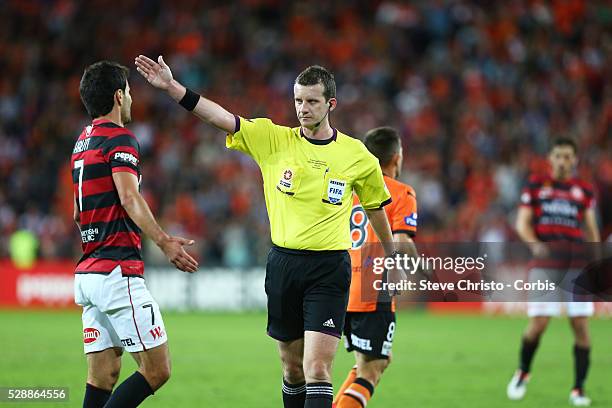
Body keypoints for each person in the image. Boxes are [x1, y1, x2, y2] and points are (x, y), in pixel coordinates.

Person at [135, 55, 405, 408]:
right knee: (292, 368)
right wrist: (173, 88)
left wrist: (392, 254)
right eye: (298, 100)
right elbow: (219, 117)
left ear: (331, 104)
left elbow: (375, 209)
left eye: (312, 101)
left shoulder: (357, 155)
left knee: (318, 368)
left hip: (329, 269)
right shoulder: (272, 138)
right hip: (283, 266)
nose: (303, 109)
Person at [72, 61, 198, 408]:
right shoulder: (120, 138)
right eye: (128, 92)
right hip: (116, 272)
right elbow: (129, 196)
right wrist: (164, 241)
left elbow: (76, 213)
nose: (131, 99)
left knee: (102, 377)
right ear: (117, 96)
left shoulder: (82, 142)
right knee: (157, 370)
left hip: (89, 273)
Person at [506, 138, 600, 406]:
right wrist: (535, 245)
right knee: (539, 324)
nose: (563, 161)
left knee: (580, 326)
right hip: (545, 267)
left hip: (576, 267)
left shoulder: (583, 190)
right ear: (550, 158)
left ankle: (578, 390)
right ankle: (523, 371)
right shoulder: (536, 185)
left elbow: (591, 230)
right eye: (558, 156)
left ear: (575, 160)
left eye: (568, 156)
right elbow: (522, 222)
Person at [333, 127, 419, 408]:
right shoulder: (401, 192)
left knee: (367, 362)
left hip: (341, 287)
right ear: (396, 157)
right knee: (375, 365)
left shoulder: (348, 189)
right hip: (374, 290)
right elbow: (402, 241)